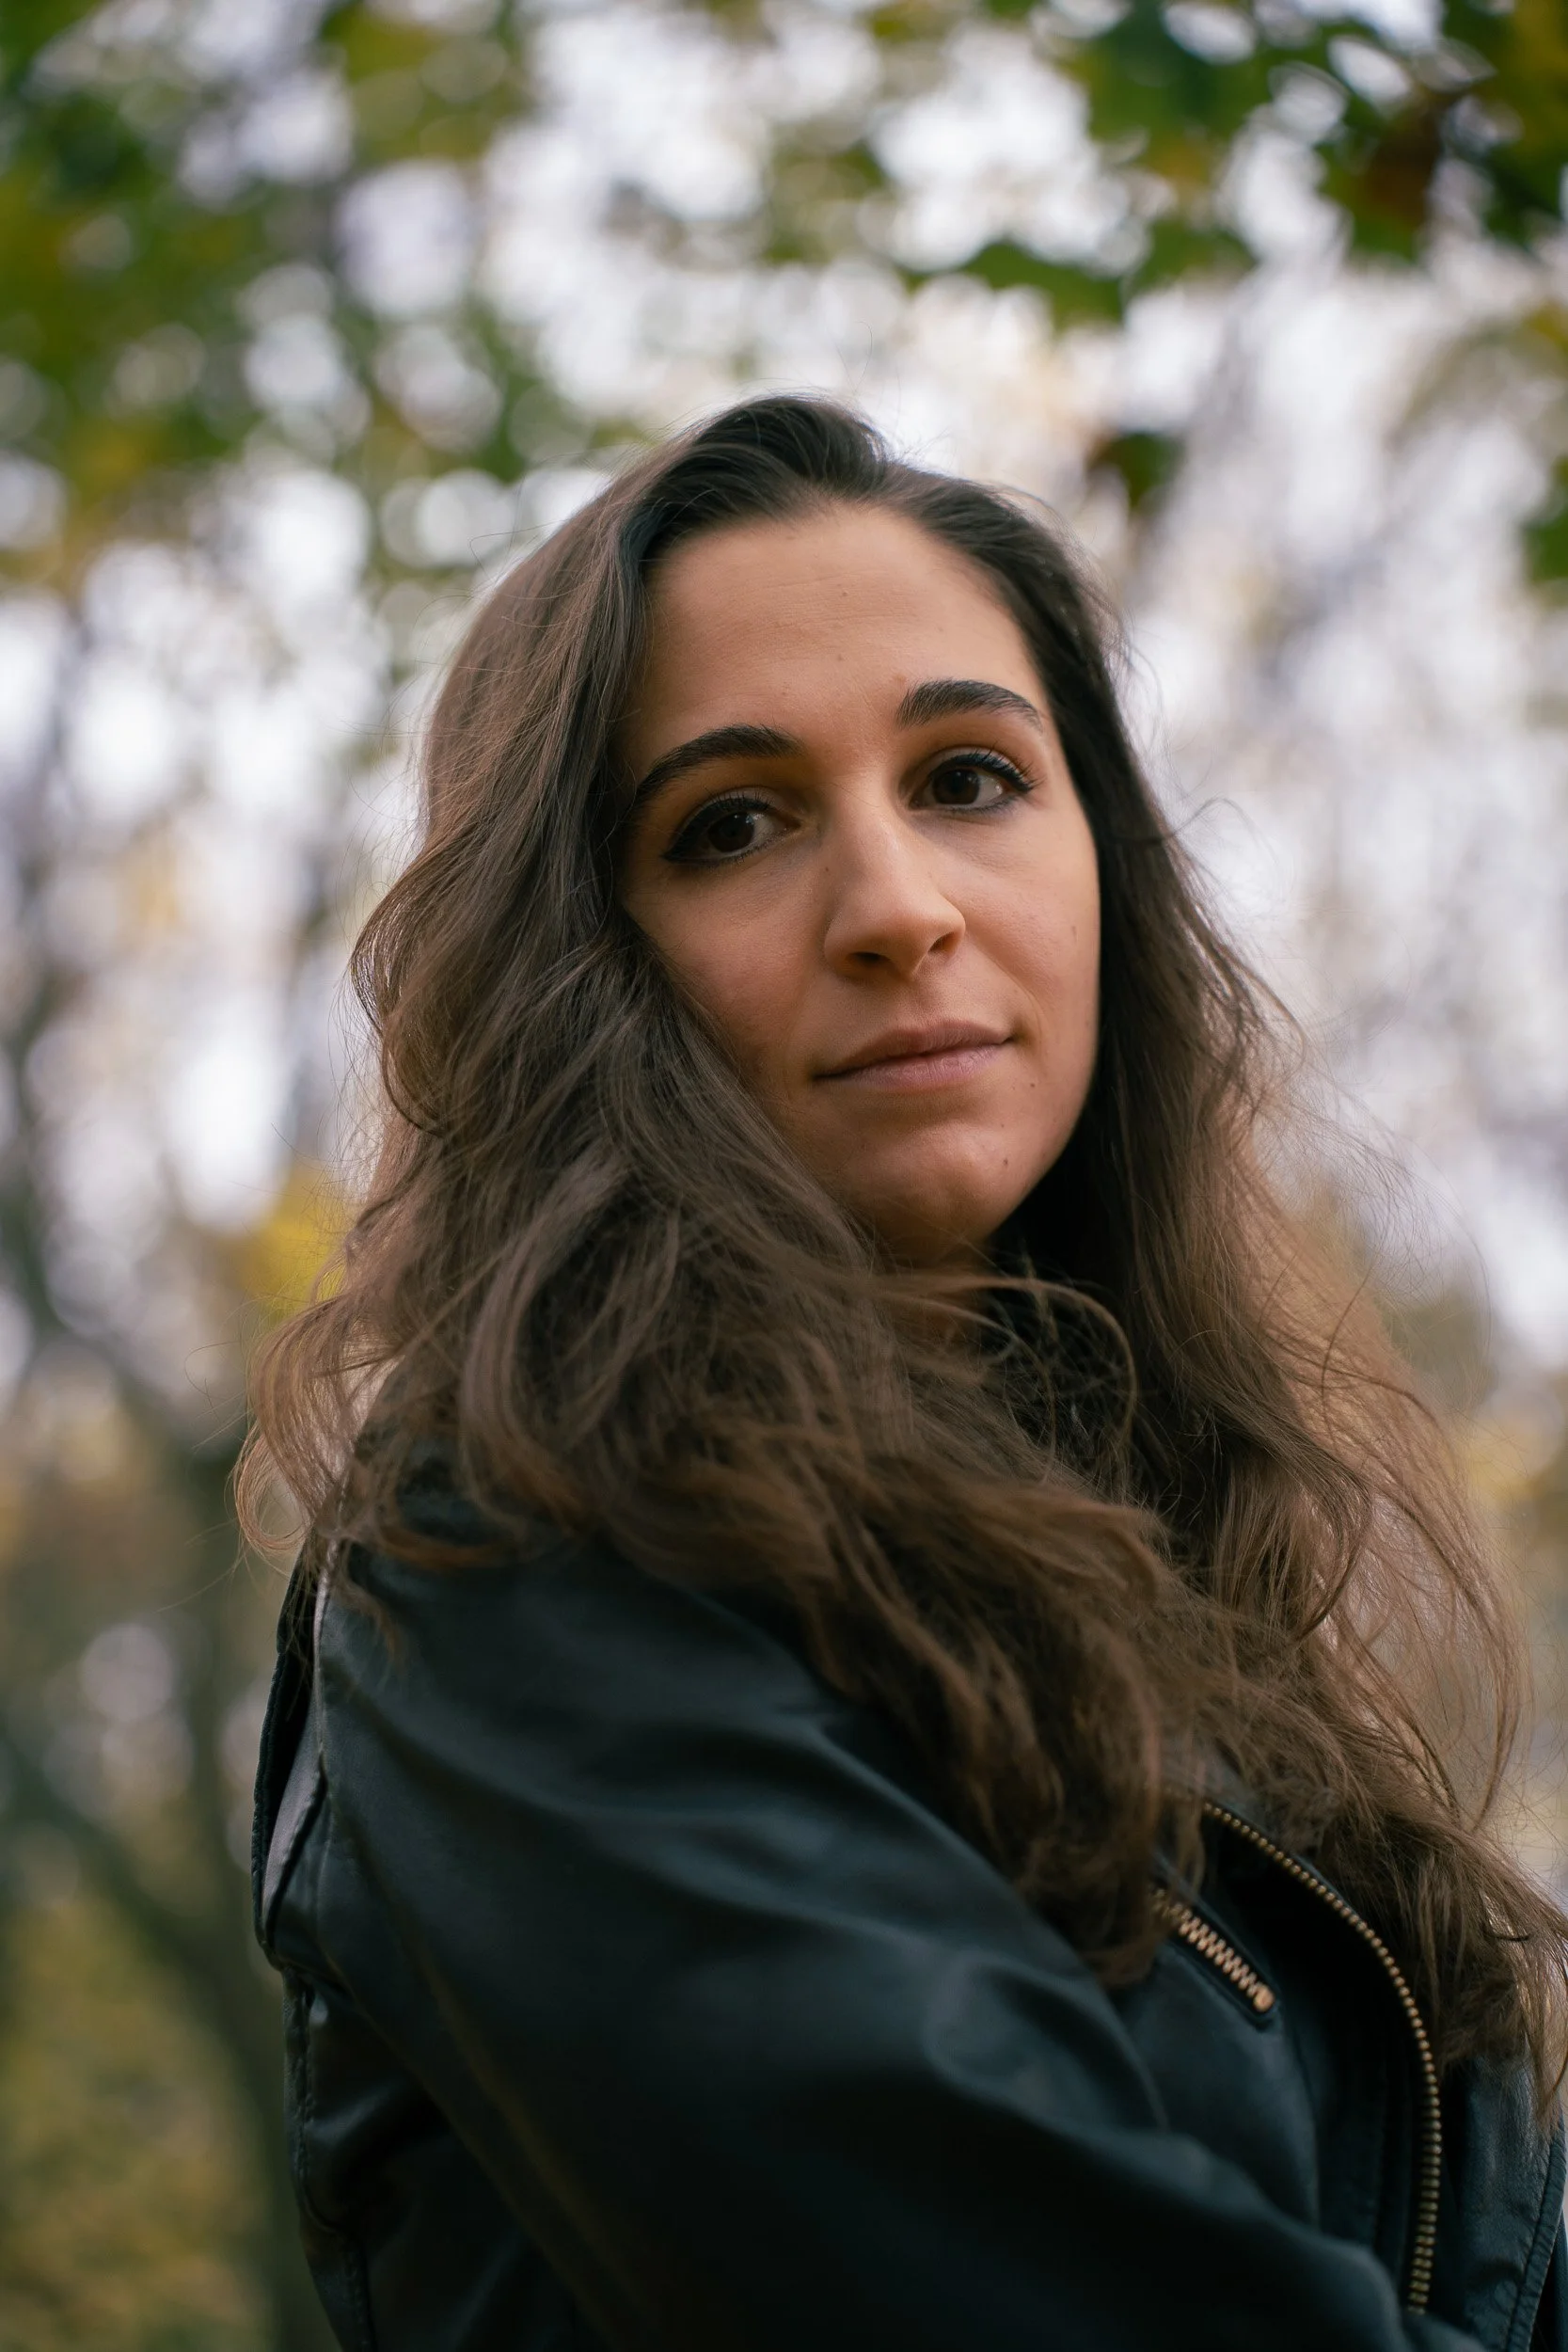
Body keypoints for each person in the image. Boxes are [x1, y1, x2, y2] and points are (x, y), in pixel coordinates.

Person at [245, 395, 1568, 2351]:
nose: (896, 909)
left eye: (965, 776)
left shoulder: (1160, 1566)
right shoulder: (519, 1570)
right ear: (580, 960)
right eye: (731, 826)